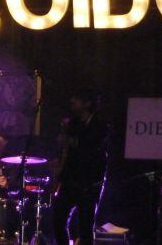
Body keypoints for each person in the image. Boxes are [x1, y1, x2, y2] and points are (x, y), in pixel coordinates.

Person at [52, 89, 108, 245]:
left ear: (87, 103)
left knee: (85, 225)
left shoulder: (100, 124)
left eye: (76, 99)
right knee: (58, 219)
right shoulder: (73, 123)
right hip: (70, 179)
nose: (72, 102)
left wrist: (68, 140)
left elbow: (91, 146)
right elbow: (67, 151)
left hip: (89, 181)